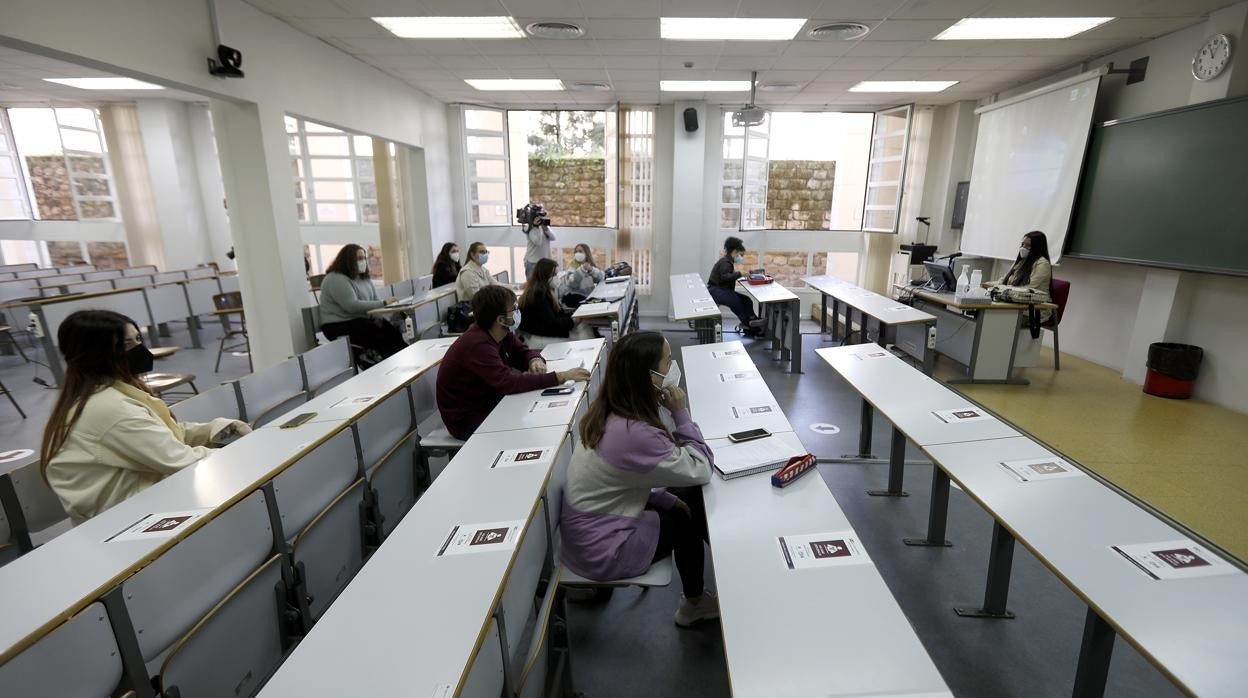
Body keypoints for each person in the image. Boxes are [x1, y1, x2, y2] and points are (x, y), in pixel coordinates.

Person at [559, 331, 718, 627]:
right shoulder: (635, 432)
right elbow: (701, 467)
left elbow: (621, 480)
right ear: (649, 377)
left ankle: (711, 586)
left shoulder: (609, 413)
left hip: (587, 535)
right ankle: (697, 602)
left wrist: (666, 498)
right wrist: (681, 413)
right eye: (668, 361)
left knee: (683, 499)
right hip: (603, 549)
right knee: (691, 505)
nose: (673, 367)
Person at [41, 311, 252, 523]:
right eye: (126, 344)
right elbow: (178, 458)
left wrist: (219, 428)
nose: (139, 349)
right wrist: (243, 453)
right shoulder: (108, 408)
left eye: (138, 339)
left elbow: (163, 435)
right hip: (124, 520)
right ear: (97, 354)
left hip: (145, 501)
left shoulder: (110, 391)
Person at [436, 285, 591, 440]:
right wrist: (561, 376)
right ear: (501, 319)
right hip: (467, 420)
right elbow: (508, 383)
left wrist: (534, 360)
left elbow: (523, 351)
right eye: (514, 309)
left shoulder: (502, 332)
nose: (518, 312)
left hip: (490, 402)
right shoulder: (477, 344)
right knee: (531, 431)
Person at [318, 244, 406, 362]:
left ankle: (402, 360)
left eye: (364, 258)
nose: (363, 261)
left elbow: (374, 300)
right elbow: (352, 306)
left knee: (391, 330)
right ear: (348, 260)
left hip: (358, 320)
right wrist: (384, 303)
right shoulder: (335, 278)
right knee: (379, 334)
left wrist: (384, 316)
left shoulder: (363, 278)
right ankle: (390, 364)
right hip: (337, 325)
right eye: (359, 258)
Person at [984, 230, 1054, 322]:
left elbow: (1028, 289)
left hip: (1035, 309)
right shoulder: (1021, 261)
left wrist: (998, 288)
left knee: (992, 315)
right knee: (987, 310)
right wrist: (986, 284)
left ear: (1037, 248)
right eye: (1023, 244)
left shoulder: (1042, 264)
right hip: (1015, 303)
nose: (1023, 248)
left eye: (1028, 246)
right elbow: (1003, 281)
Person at [707, 236, 764, 337]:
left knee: (746, 300)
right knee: (736, 302)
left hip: (722, 290)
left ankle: (752, 320)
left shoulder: (727, 262)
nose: (741, 257)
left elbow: (727, 277)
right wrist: (739, 274)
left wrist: (741, 276)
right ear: (734, 251)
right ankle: (750, 325)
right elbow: (725, 277)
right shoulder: (725, 262)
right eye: (740, 254)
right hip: (715, 290)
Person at [518, 258, 575, 339]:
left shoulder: (543, 290)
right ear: (545, 275)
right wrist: (573, 320)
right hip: (537, 336)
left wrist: (574, 316)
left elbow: (556, 315)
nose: (557, 278)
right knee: (582, 333)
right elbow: (551, 324)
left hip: (540, 331)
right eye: (554, 275)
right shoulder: (539, 294)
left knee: (582, 329)